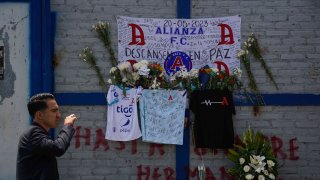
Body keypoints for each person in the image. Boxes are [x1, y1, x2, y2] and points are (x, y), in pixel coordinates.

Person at [16, 93, 77, 180]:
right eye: (54, 111)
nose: (59, 115)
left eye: (58, 111)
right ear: (39, 115)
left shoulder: (37, 133)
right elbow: (58, 147)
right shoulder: (33, 133)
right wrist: (68, 126)